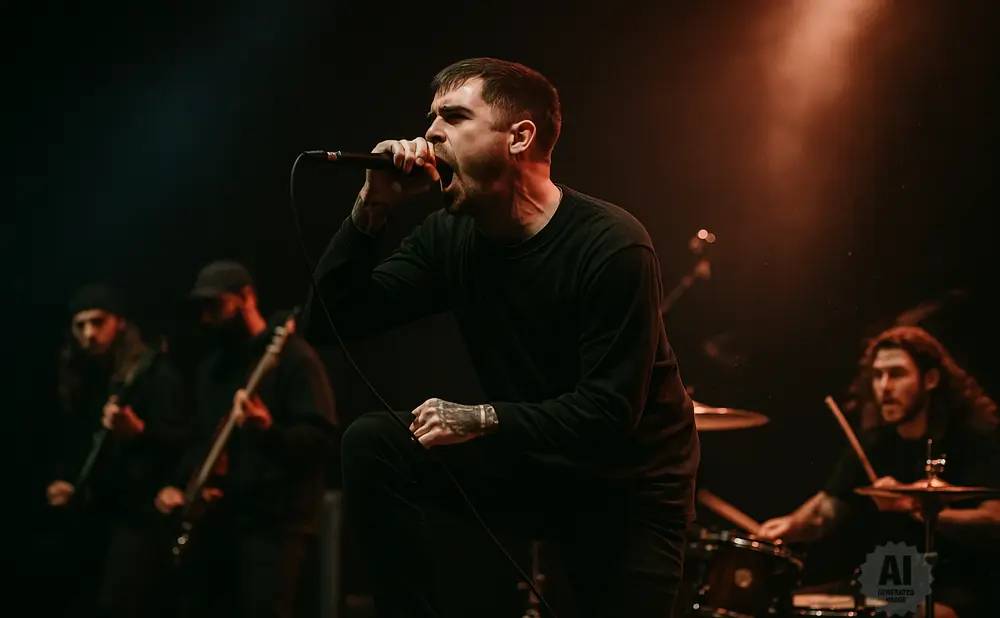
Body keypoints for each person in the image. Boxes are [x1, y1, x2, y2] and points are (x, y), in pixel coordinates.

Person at [304, 57, 700, 618]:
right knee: (374, 442)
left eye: (454, 116)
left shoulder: (611, 244)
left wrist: (481, 417)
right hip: (538, 463)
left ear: (519, 137)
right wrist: (374, 206)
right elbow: (328, 323)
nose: (430, 134)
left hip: (627, 491)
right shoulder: (450, 235)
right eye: (431, 118)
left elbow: (609, 413)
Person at [757, 325, 1000, 618]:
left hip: (962, 588)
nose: (884, 387)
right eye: (878, 375)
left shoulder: (973, 438)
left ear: (931, 379)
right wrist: (786, 527)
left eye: (897, 374)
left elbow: (994, 520)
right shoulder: (874, 444)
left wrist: (914, 507)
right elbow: (824, 511)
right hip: (892, 584)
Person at [155, 260, 338, 618]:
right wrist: (181, 485)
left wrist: (267, 431)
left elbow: (320, 441)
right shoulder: (211, 371)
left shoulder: (292, 359)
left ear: (246, 297)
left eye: (215, 305)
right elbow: (202, 442)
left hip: (277, 525)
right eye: (201, 309)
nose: (206, 319)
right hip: (223, 524)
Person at [44, 283, 188, 617]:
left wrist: (138, 434)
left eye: (98, 322)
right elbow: (70, 444)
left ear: (119, 322)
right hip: (94, 515)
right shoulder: (77, 377)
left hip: (140, 516)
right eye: (80, 326)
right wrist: (63, 480)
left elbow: (182, 443)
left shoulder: (152, 375)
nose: (89, 334)